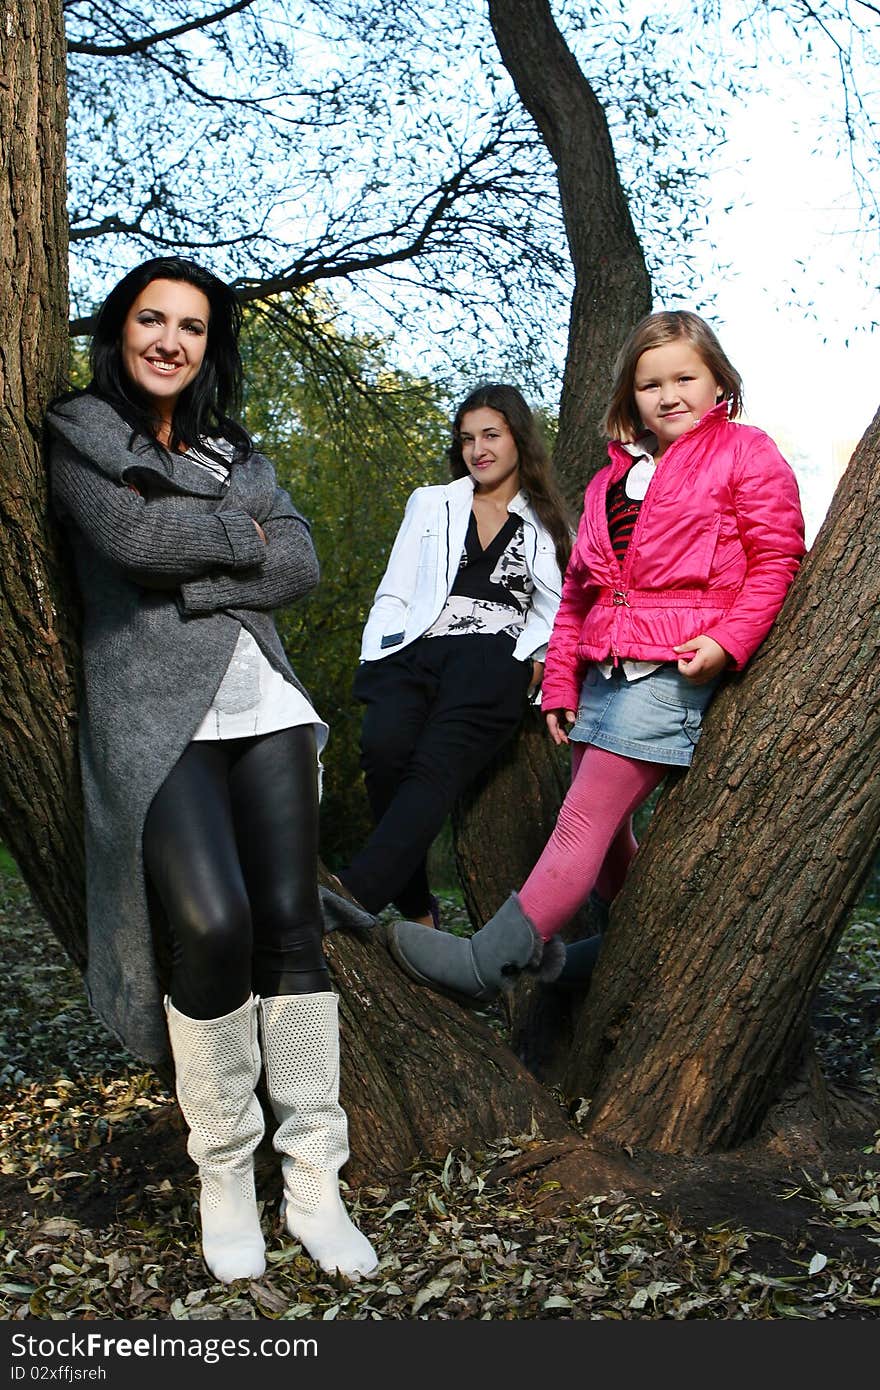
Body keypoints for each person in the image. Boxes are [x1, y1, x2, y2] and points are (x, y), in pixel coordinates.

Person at [47, 257, 377, 1285]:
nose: (170, 341)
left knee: (288, 918)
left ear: (208, 346)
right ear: (121, 327)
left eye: (192, 327)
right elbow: (130, 538)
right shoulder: (80, 431)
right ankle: (224, 1174)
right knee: (213, 924)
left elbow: (303, 561)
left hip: (265, 702)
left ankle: (314, 1180)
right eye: (153, 319)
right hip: (154, 713)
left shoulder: (236, 445)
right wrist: (236, 548)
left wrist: (199, 568)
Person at [386, 310, 806, 997]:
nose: (668, 395)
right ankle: (627, 957)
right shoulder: (613, 479)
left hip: (673, 671)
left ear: (718, 380)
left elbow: (776, 559)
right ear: (629, 396)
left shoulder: (746, 452)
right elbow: (580, 594)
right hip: (605, 669)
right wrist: (560, 684)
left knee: (581, 819)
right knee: (604, 840)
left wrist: (729, 643)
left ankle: (484, 964)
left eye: (684, 378)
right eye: (649, 384)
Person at [335, 384, 571, 926]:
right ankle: (417, 904)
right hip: (415, 650)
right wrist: (381, 649)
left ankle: (355, 892)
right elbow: (394, 588)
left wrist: (533, 660)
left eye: (491, 435)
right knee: (383, 750)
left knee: (435, 765)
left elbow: (560, 607)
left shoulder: (548, 523)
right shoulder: (432, 502)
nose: (477, 449)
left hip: (492, 658)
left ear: (518, 439)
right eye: (467, 438)